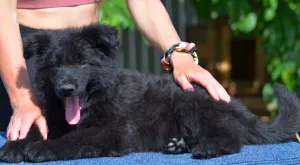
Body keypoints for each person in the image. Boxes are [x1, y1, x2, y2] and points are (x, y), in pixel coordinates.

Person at [0, 0, 230, 141]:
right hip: (31, 61)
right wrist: (22, 99)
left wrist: (179, 55)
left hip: (86, 58)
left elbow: (144, 2)